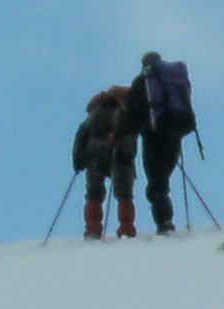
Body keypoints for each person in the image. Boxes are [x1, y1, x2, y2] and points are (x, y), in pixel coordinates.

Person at [72, 78, 145, 240]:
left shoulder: (95, 112)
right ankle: (127, 228)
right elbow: (133, 135)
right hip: (122, 152)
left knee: (94, 193)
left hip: (95, 153)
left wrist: (78, 160)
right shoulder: (129, 112)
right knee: (125, 194)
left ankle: (93, 229)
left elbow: (81, 135)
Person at [137, 50, 196, 236]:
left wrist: (125, 133)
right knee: (163, 178)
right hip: (176, 132)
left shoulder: (145, 80)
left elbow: (135, 110)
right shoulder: (176, 78)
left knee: (156, 181)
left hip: (153, 134)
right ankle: (165, 219)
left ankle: (164, 223)